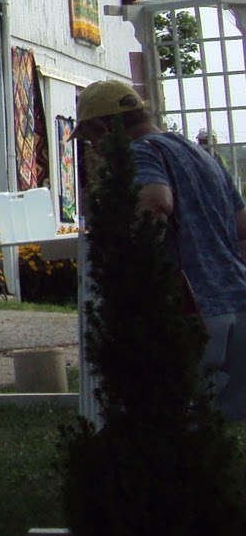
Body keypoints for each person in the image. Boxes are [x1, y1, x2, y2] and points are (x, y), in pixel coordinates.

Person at [72, 79, 246, 418]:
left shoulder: (140, 151)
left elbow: (154, 204)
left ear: (103, 127)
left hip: (191, 310)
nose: (94, 148)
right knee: (222, 431)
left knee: (175, 425)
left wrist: (134, 273)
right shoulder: (202, 155)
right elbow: (242, 228)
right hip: (238, 302)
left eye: (91, 139)